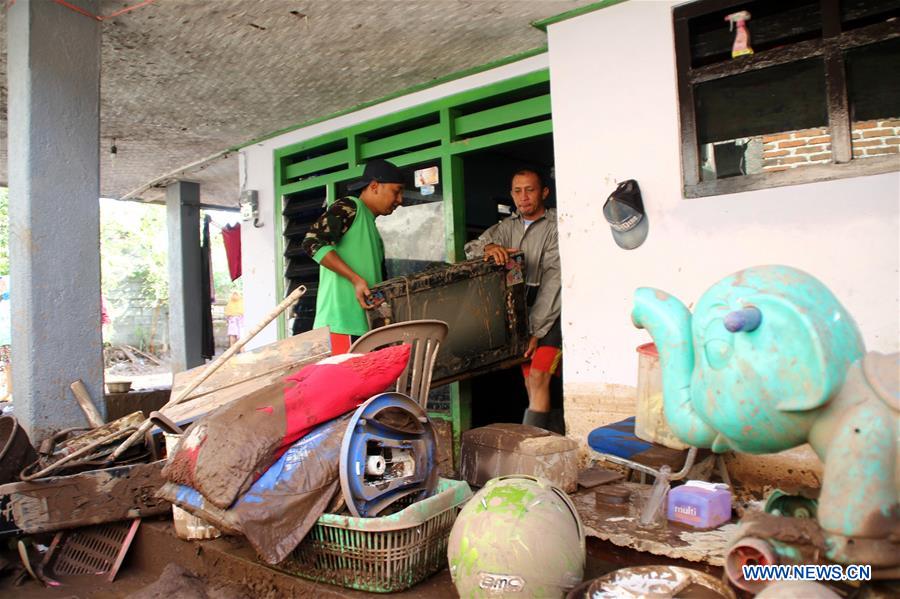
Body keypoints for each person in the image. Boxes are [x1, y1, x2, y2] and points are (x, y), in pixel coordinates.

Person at [465, 169, 563, 433]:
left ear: (544, 192)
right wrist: (488, 249)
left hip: (551, 316)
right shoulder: (505, 228)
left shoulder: (557, 226)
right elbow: (471, 248)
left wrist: (536, 330)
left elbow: (555, 282)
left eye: (530, 190)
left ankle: (531, 452)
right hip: (521, 315)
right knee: (532, 383)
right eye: (517, 191)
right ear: (511, 195)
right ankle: (554, 444)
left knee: (540, 378)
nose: (523, 197)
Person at [301, 159, 404, 354]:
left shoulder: (371, 228)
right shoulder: (350, 206)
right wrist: (355, 279)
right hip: (341, 327)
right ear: (374, 186)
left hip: (366, 329)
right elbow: (312, 242)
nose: (400, 200)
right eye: (396, 191)